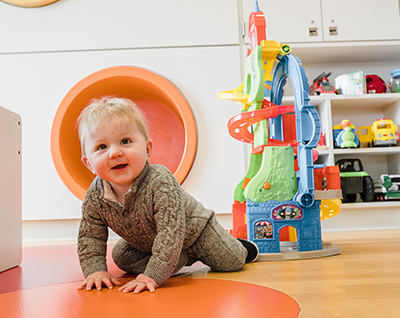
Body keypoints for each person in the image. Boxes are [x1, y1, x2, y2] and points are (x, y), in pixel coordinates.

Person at [76, 96, 259, 294]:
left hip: (196, 231)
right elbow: (90, 236)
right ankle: (178, 258)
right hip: (152, 242)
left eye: (125, 141)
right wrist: (95, 271)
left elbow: (170, 231)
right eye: (102, 147)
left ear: (147, 149)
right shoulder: (95, 196)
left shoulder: (160, 180)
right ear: (88, 164)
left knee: (232, 261)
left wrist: (152, 275)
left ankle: (239, 245)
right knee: (121, 256)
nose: (114, 153)